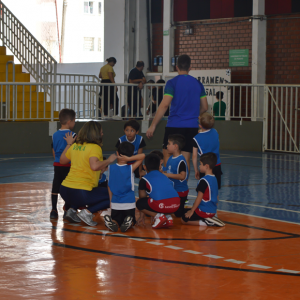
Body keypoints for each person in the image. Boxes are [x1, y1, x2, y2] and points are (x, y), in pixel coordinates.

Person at [146, 55, 208, 171]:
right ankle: (183, 187)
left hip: (174, 125)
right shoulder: (198, 84)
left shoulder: (172, 83)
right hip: (191, 127)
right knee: (185, 159)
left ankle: (169, 186)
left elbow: (164, 105)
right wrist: (194, 114)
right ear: (190, 67)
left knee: (168, 156)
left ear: (176, 67)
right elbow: (205, 107)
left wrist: (153, 125)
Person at [59, 121, 117, 226]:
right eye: (101, 132)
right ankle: (87, 212)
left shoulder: (75, 146)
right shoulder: (95, 148)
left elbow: (62, 160)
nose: (102, 134)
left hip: (64, 190)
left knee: (89, 190)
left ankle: (72, 210)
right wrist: (109, 160)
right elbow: (94, 166)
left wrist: (69, 144)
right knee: (113, 194)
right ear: (95, 134)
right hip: (81, 193)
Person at [104, 142, 145, 232]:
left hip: (115, 201)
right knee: (132, 220)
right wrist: (130, 158)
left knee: (116, 220)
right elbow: (142, 156)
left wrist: (111, 200)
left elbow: (109, 186)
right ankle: (129, 221)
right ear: (130, 155)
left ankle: (113, 222)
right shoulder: (130, 168)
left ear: (117, 153)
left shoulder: (110, 168)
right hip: (129, 201)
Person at [136, 153, 181, 229]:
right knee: (159, 198)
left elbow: (142, 199)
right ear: (160, 166)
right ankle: (168, 218)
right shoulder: (165, 176)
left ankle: (158, 217)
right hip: (176, 205)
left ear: (144, 167)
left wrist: (141, 216)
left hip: (162, 205)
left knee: (139, 203)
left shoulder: (144, 179)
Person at [182, 153, 225, 227]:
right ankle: (208, 218)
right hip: (212, 210)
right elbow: (217, 196)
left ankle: (205, 222)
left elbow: (199, 198)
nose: (199, 166)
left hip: (204, 211)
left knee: (183, 219)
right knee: (184, 211)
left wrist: (192, 211)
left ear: (206, 166)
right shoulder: (214, 178)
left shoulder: (204, 180)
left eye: (200, 164)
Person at [50, 109, 76, 219]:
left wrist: (57, 159)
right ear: (69, 122)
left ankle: (54, 210)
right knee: (69, 186)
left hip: (57, 164)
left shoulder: (54, 135)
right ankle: (67, 209)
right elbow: (74, 150)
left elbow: (53, 150)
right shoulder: (73, 135)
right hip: (68, 165)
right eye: (75, 120)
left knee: (56, 186)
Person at [192, 112, 222, 189]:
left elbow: (194, 156)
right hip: (217, 165)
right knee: (215, 190)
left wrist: (196, 170)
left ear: (199, 125)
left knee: (203, 190)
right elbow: (209, 135)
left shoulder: (196, 138)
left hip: (205, 167)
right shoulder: (215, 132)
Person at [163, 134, 189, 218]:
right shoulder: (170, 158)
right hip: (173, 191)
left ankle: (193, 210)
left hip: (180, 192)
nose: (166, 146)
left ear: (175, 146)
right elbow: (166, 171)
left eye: (168, 144)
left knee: (178, 214)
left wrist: (166, 174)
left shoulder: (181, 160)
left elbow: (182, 176)